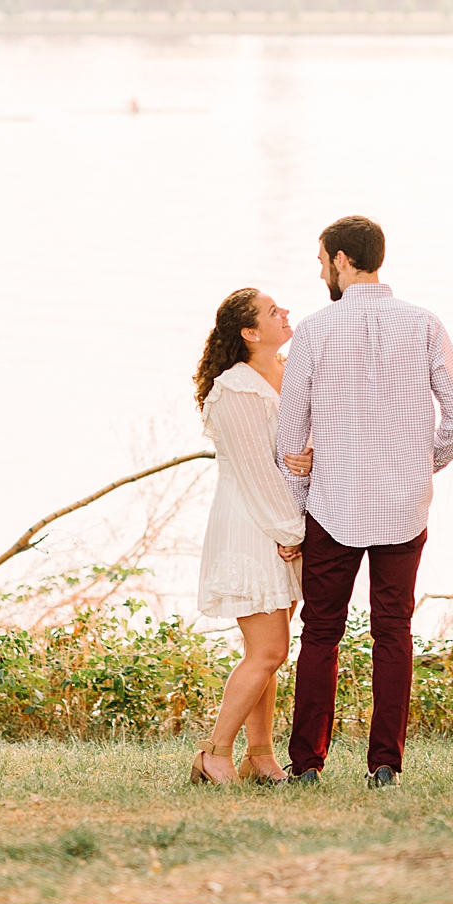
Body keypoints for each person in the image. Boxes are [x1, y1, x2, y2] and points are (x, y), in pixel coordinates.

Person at [274, 215, 453, 790]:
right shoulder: (424, 324)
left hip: (331, 506)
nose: (320, 272)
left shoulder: (314, 332)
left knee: (320, 633)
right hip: (402, 506)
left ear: (341, 259)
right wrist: (420, 464)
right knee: (393, 632)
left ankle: (307, 766)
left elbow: (288, 438)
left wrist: (299, 504)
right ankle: (384, 765)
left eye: (321, 261)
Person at [189, 288, 304, 786]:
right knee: (268, 651)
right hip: (253, 527)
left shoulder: (289, 371)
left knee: (268, 652)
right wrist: (290, 533)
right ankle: (213, 752)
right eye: (272, 311)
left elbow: (290, 452)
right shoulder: (235, 387)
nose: (285, 313)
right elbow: (257, 470)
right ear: (250, 333)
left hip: (282, 524)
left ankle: (260, 756)